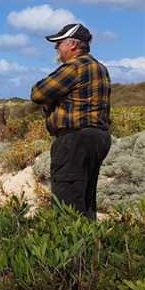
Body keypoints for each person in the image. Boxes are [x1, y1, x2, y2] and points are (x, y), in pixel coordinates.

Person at [30, 23, 111, 220]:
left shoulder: (75, 67)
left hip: (74, 139)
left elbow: (38, 93)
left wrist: (52, 103)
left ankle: (73, 248)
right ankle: (93, 248)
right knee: (86, 200)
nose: (56, 48)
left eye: (59, 43)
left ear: (72, 45)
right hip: (98, 138)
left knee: (67, 203)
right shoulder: (100, 68)